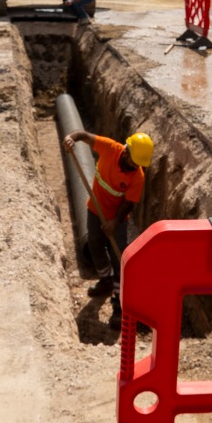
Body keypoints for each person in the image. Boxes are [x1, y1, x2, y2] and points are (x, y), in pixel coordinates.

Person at [63, 128, 154, 328]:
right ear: (126, 151)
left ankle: (119, 306)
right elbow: (84, 135)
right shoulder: (110, 148)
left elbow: (129, 204)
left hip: (118, 219)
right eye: (134, 162)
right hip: (95, 209)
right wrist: (71, 138)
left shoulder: (137, 176)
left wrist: (114, 222)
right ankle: (105, 280)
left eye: (139, 164)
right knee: (95, 246)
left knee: (119, 258)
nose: (136, 167)